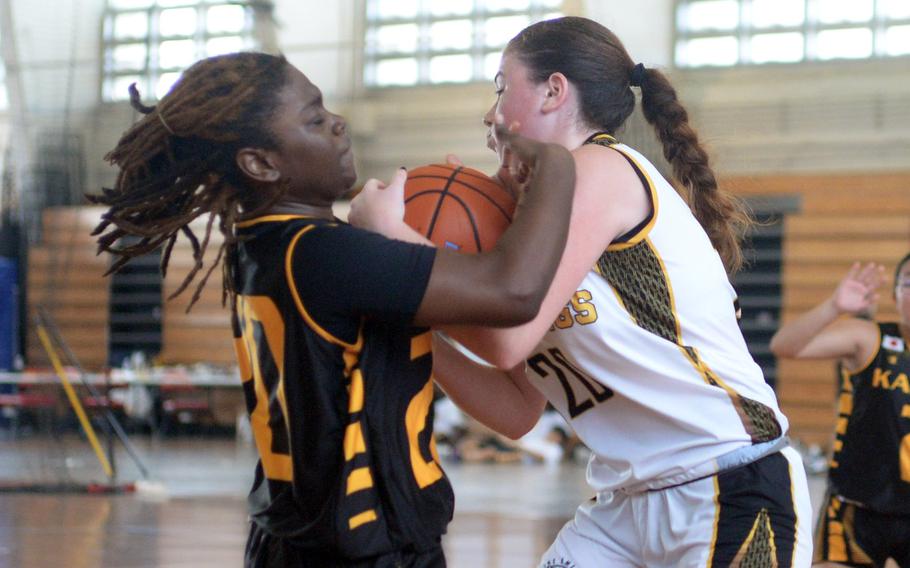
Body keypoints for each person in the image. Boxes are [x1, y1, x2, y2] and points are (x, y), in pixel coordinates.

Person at [351, 16, 812, 567]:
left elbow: (506, 339)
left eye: (502, 88)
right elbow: (518, 409)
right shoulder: (527, 231)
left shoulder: (599, 168)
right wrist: (413, 319)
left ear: (553, 90)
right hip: (625, 507)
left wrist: (395, 251)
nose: (491, 113)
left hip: (730, 482)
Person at [89, 52, 577, 567]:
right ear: (261, 163)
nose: (339, 123)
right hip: (362, 546)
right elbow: (514, 292)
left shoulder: (264, 244)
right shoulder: (325, 255)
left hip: (303, 538)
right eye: (315, 120)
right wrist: (554, 163)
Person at [770, 257, 910, 568]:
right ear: (895, 296)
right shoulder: (870, 338)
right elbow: (785, 346)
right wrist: (834, 307)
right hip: (855, 509)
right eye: (909, 282)